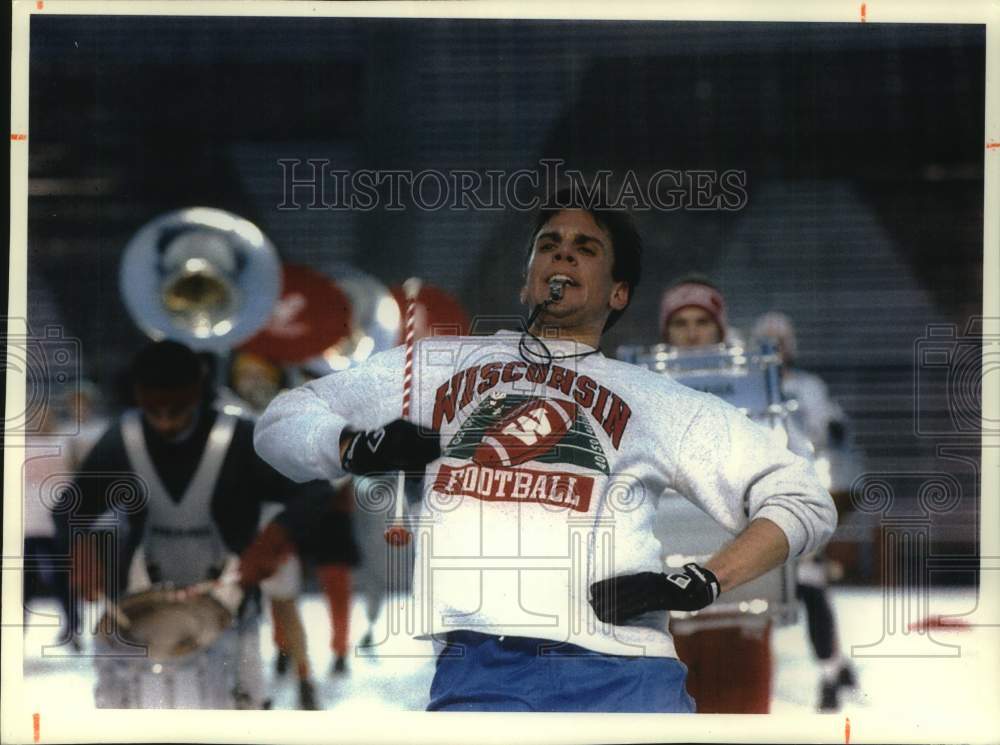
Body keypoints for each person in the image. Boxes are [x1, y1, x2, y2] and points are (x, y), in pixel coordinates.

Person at [254, 194, 837, 713]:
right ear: (526, 279)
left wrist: (702, 582)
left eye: (586, 247)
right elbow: (279, 421)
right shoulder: (435, 366)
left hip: (627, 675)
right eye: (548, 245)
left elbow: (803, 497)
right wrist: (355, 447)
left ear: (619, 292)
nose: (562, 256)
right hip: (479, 673)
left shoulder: (654, 399)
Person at [68, 340, 303, 709]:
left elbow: (312, 490)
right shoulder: (121, 438)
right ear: (138, 396)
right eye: (153, 410)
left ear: (196, 392)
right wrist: (81, 545)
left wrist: (276, 535)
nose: (164, 421)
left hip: (231, 604)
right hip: (142, 601)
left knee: (239, 711)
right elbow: (72, 507)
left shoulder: (240, 437)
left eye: (176, 409)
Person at [657, 275, 782, 713]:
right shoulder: (642, 391)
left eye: (702, 322)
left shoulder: (758, 393)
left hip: (744, 592)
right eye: (680, 323)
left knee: (743, 720)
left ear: (720, 329)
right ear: (665, 333)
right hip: (671, 592)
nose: (691, 333)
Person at [752, 311, 860, 711]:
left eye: (779, 341)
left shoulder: (807, 387)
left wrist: (832, 432)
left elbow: (832, 425)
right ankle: (834, 666)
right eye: (766, 341)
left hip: (802, 495)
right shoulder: (749, 387)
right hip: (757, 498)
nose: (773, 349)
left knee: (809, 583)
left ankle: (830, 674)